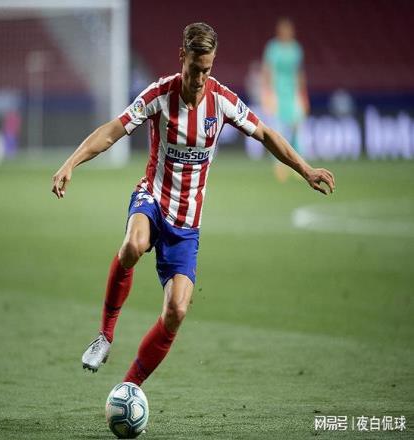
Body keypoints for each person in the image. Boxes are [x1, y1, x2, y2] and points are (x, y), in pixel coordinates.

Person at [51, 22, 335, 387]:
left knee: (177, 310)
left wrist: (306, 169)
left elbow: (265, 133)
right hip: (152, 198)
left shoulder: (222, 101)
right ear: (181, 57)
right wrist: (71, 163)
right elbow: (112, 130)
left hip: (187, 223)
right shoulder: (159, 94)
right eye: (194, 68)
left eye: (207, 70)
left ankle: (129, 387)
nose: (200, 78)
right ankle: (105, 335)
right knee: (134, 245)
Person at [261, 18, 309, 182]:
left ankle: (300, 165)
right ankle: (280, 165)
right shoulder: (273, 48)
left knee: (297, 130)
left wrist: (303, 96)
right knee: (278, 132)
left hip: (293, 95)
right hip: (277, 95)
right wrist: (267, 94)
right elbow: (267, 71)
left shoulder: (296, 49)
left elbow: (299, 73)